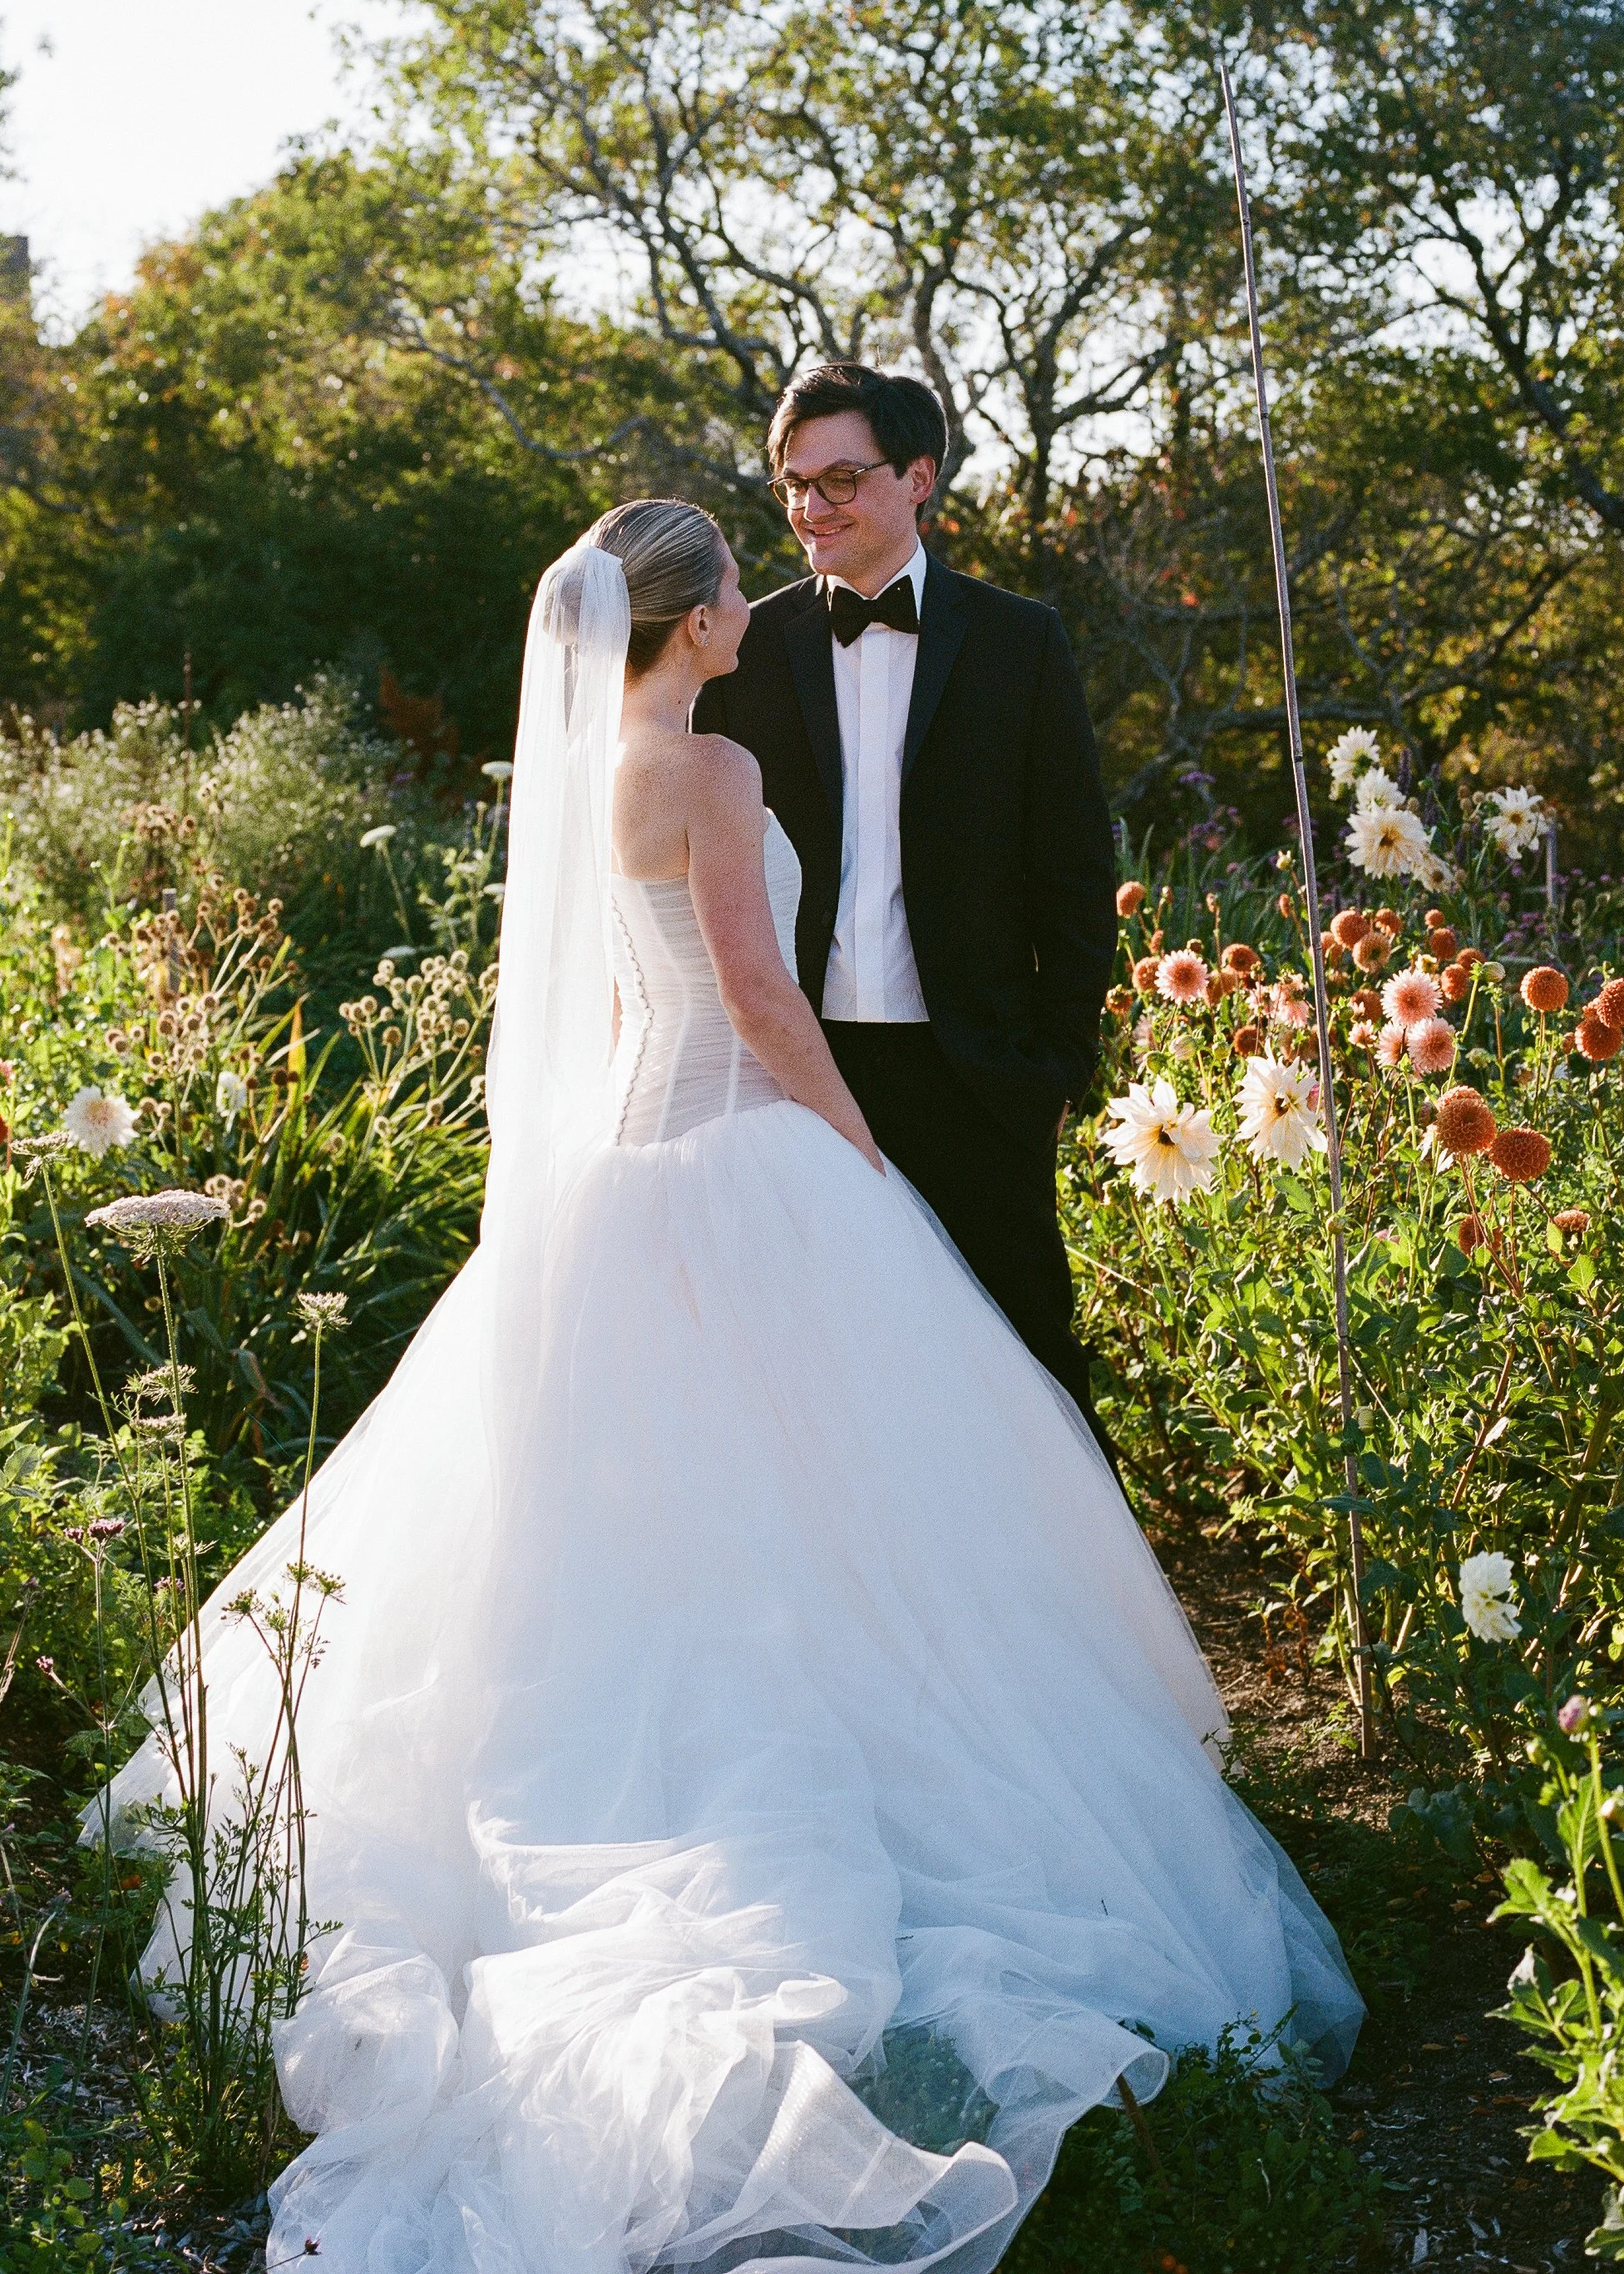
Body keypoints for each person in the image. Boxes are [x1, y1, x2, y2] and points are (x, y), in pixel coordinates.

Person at [96, 501, 1360, 2274]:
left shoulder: (588, 775)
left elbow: (621, 1024)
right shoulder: (709, 778)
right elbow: (760, 1000)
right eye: (724, 605)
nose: (751, 621)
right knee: (822, 1528)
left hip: (622, 1176)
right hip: (744, 1162)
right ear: (690, 625)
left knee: (640, 1546)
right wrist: (860, 1160)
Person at [693, 361, 1116, 1438]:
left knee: (1030, 1366)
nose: (809, 506)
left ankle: (1068, 1600)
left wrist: (1057, 1064)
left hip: (976, 1069)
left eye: (840, 477)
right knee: (820, 1376)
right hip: (800, 1074)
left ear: (918, 477)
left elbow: (1072, 869)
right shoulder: (750, 649)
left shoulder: (1020, 642)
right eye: (793, 482)